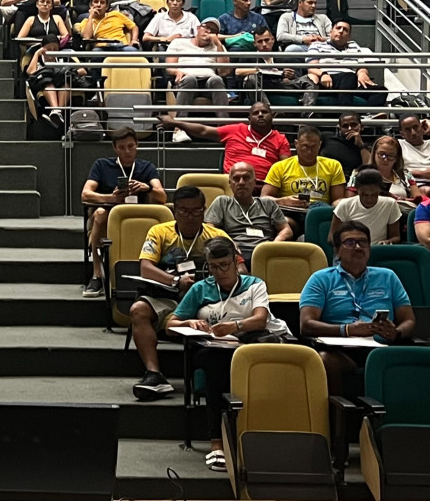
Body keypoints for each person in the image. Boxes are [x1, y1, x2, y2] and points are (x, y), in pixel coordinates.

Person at [164, 238, 292, 471]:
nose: (220, 271)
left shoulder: (255, 284)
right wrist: (190, 321)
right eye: (213, 266)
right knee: (216, 363)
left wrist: (234, 327)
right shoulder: (200, 289)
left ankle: (266, 436)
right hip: (213, 348)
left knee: (263, 354)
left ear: (236, 262)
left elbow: (260, 319)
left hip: (251, 342)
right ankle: (217, 442)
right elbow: (170, 325)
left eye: (224, 265)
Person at [127, 186, 231, 400]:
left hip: (206, 301)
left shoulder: (218, 235)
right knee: (138, 309)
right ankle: (154, 375)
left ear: (204, 211)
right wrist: (175, 280)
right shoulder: (159, 232)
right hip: (167, 299)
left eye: (195, 211)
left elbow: (239, 268)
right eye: (184, 211)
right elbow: (146, 267)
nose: (190, 216)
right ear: (174, 211)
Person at [299, 222, 416, 391]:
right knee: (325, 360)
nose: (358, 247)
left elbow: (409, 320)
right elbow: (306, 325)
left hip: (382, 348)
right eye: (349, 243)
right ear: (337, 250)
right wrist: (347, 330)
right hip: (341, 350)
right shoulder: (321, 279)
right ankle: (338, 415)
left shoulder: (388, 277)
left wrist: (396, 333)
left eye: (363, 242)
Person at [80, 127, 167, 297]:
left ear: (137, 146)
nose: (127, 151)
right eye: (121, 147)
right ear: (114, 148)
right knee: (99, 213)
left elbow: (162, 196)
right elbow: (85, 193)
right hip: (108, 216)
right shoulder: (102, 165)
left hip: (137, 218)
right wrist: (111, 198)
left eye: (130, 146)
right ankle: (97, 273)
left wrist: (147, 188)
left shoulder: (146, 167)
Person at [158, 99, 291, 179]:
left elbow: (286, 169)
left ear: (272, 116)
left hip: (264, 188)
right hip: (232, 185)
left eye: (264, 112)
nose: (260, 115)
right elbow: (204, 130)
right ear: (249, 119)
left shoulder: (280, 139)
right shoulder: (237, 130)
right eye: (256, 113)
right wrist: (176, 123)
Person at [204, 161, 292, 263]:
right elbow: (209, 229)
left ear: (254, 182)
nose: (241, 182)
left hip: (265, 251)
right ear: (230, 183)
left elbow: (286, 230)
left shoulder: (267, 203)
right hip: (235, 252)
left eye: (246, 178)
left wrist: (272, 246)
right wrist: (228, 244)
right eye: (236, 179)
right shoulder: (222, 202)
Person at [263, 125, 349, 225]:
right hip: (292, 212)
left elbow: (337, 199)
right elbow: (264, 198)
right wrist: (283, 201)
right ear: (296, 144)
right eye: (305, 146)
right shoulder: (280, 167)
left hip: (319, 212)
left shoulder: (333, 165)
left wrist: (340, 207)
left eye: (313, 147)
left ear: (320, 145)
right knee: (285, 222)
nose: (309, 151)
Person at [333, 169, 403, 245]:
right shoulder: (345, 205)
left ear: (379, 190)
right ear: (357, 189)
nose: (369, 199)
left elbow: (396, 236)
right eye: (364, 195)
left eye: (374, 195)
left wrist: (388, 242)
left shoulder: (390, 204)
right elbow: (332, 238)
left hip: (379, 251)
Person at [356, 135, 416, 204]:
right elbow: (350, 200)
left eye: (391, 156)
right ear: (374, 153)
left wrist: (401, 199)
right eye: (381, 154)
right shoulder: (359, 173)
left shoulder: (405, 174)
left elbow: (419, 200)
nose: (385, 159)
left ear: (396, 158)